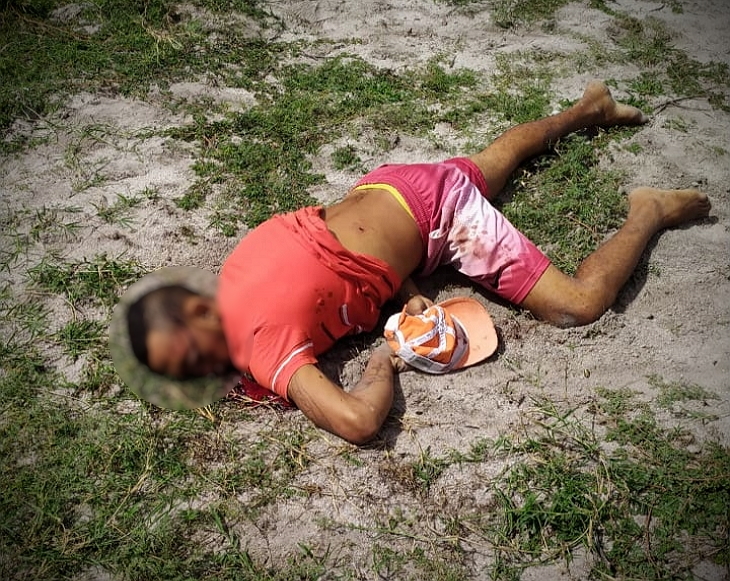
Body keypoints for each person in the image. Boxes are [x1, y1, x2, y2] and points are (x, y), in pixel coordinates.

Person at [114, 81, 711, 444]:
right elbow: (331, 257)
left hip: (442, 216)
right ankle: (588, 108)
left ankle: (649, 211)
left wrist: (383, 360)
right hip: (392, 185)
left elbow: (355, 422)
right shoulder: (241, 262)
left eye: (188, 356)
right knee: (490, 164)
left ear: (200, 312)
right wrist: (403, 290)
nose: (199, 370)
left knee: (576, 304)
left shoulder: (258, 346)